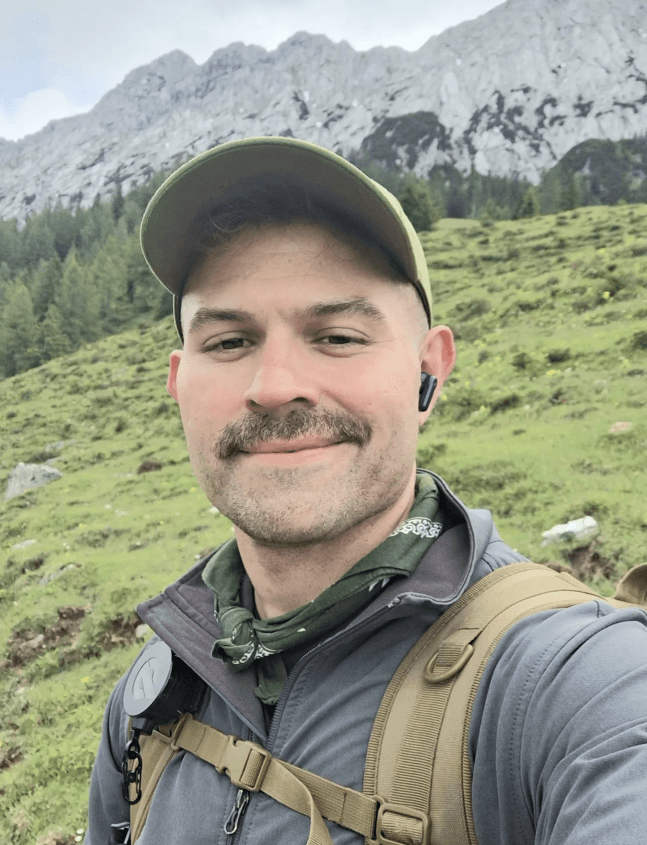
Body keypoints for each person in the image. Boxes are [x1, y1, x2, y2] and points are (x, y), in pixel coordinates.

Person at [84, 137, 647, 844]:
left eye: (338, 336)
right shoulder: (153, 694)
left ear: (429, 371)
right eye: (227, 342)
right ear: (178, 383)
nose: (274, 385)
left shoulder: (574, 681)